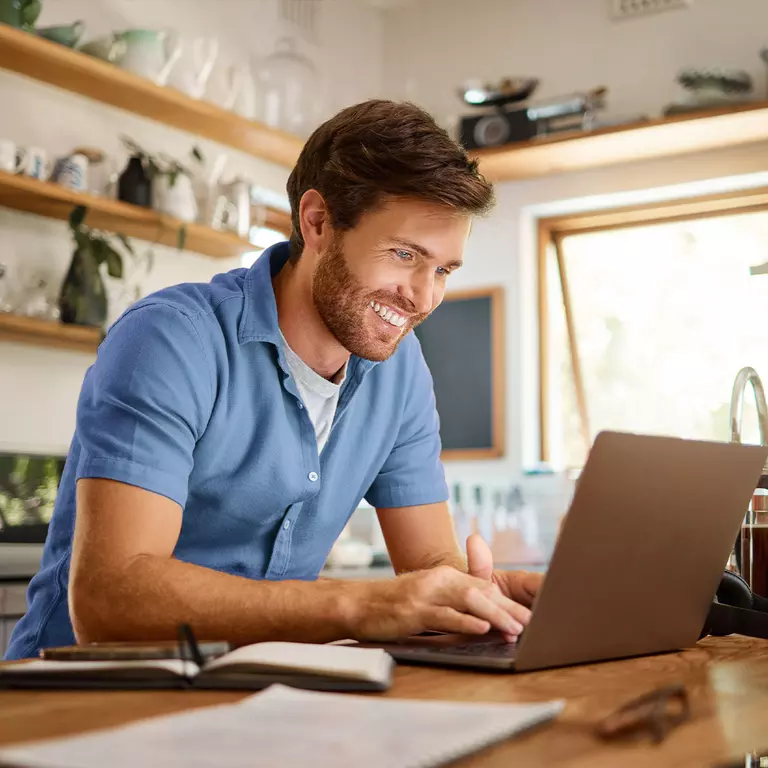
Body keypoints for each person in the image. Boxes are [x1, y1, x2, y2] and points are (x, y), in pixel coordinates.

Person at [6, 99, 542, 660]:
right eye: (404, 253)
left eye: (442, 270)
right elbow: (109, 603)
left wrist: (477, 599)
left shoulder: (400, 371)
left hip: (256, 691)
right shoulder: (171, 340)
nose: (424, 297)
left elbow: (429, 565)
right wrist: (359, 604)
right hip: (82, 695)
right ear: (317, 222)